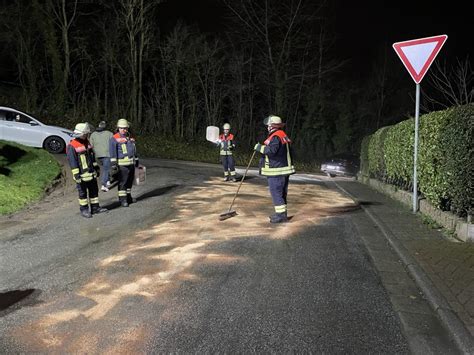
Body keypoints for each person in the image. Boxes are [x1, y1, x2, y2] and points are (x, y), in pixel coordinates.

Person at [254, 115, 295, 223]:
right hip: (282, 169)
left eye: (268, 125)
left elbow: (271, 151)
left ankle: (281, 216)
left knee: (276, 192)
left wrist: (259, 148)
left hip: (277, 171)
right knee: (281, 193)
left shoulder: (276, 136)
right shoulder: (282, 135)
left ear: (272, 126)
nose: (267, 127)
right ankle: (282, 214)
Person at [66, 123, 108, 218]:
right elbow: (73, 162)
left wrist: (96, 168)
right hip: (81, 175)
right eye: (86, 134)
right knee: (83, 194)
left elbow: (92, 158)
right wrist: (76, 175)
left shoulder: (87, 143)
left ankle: (95, 208)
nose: (87, 135)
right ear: (81, 134)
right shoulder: (72, 146)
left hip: (91, 174)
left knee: (94, 191)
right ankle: (84, 210)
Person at [109, 118, 139, 207]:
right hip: (122, 165)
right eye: (121, 128)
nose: (123, 130)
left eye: (125, 128)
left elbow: (134, 150)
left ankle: (128, 197)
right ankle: (123, 200)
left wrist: (136, 160)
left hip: (131, 164)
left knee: (129, 182)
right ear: (118, 128)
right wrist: (114, 164)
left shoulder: (130, 137)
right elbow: (112, 152)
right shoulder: (114, 138)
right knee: (123, 183)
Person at [90, 120, 113, 192]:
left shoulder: (93, 134)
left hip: (97, 155)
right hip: (107, 154)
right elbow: (113, 144)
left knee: (103, 168)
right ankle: (104, 185)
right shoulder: (110, 134)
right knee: (106, 169)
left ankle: (108, 180)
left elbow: (91, 145)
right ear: (105, 126)